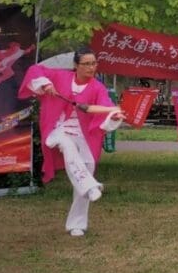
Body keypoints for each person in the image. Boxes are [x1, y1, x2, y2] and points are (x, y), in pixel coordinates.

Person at [18, 48, 125, 237]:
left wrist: (114, 115)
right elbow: (35, 70)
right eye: (86, 64)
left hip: (83, 135)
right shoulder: (60, 76)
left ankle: (77, 223)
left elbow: (106, 107)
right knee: (68, 146)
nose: (91, 68)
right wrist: (45, 84)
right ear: (76, 65)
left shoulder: (97, 87)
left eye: (94, 63)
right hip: (57, 130)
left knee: (87, 165)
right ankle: (89, 186)